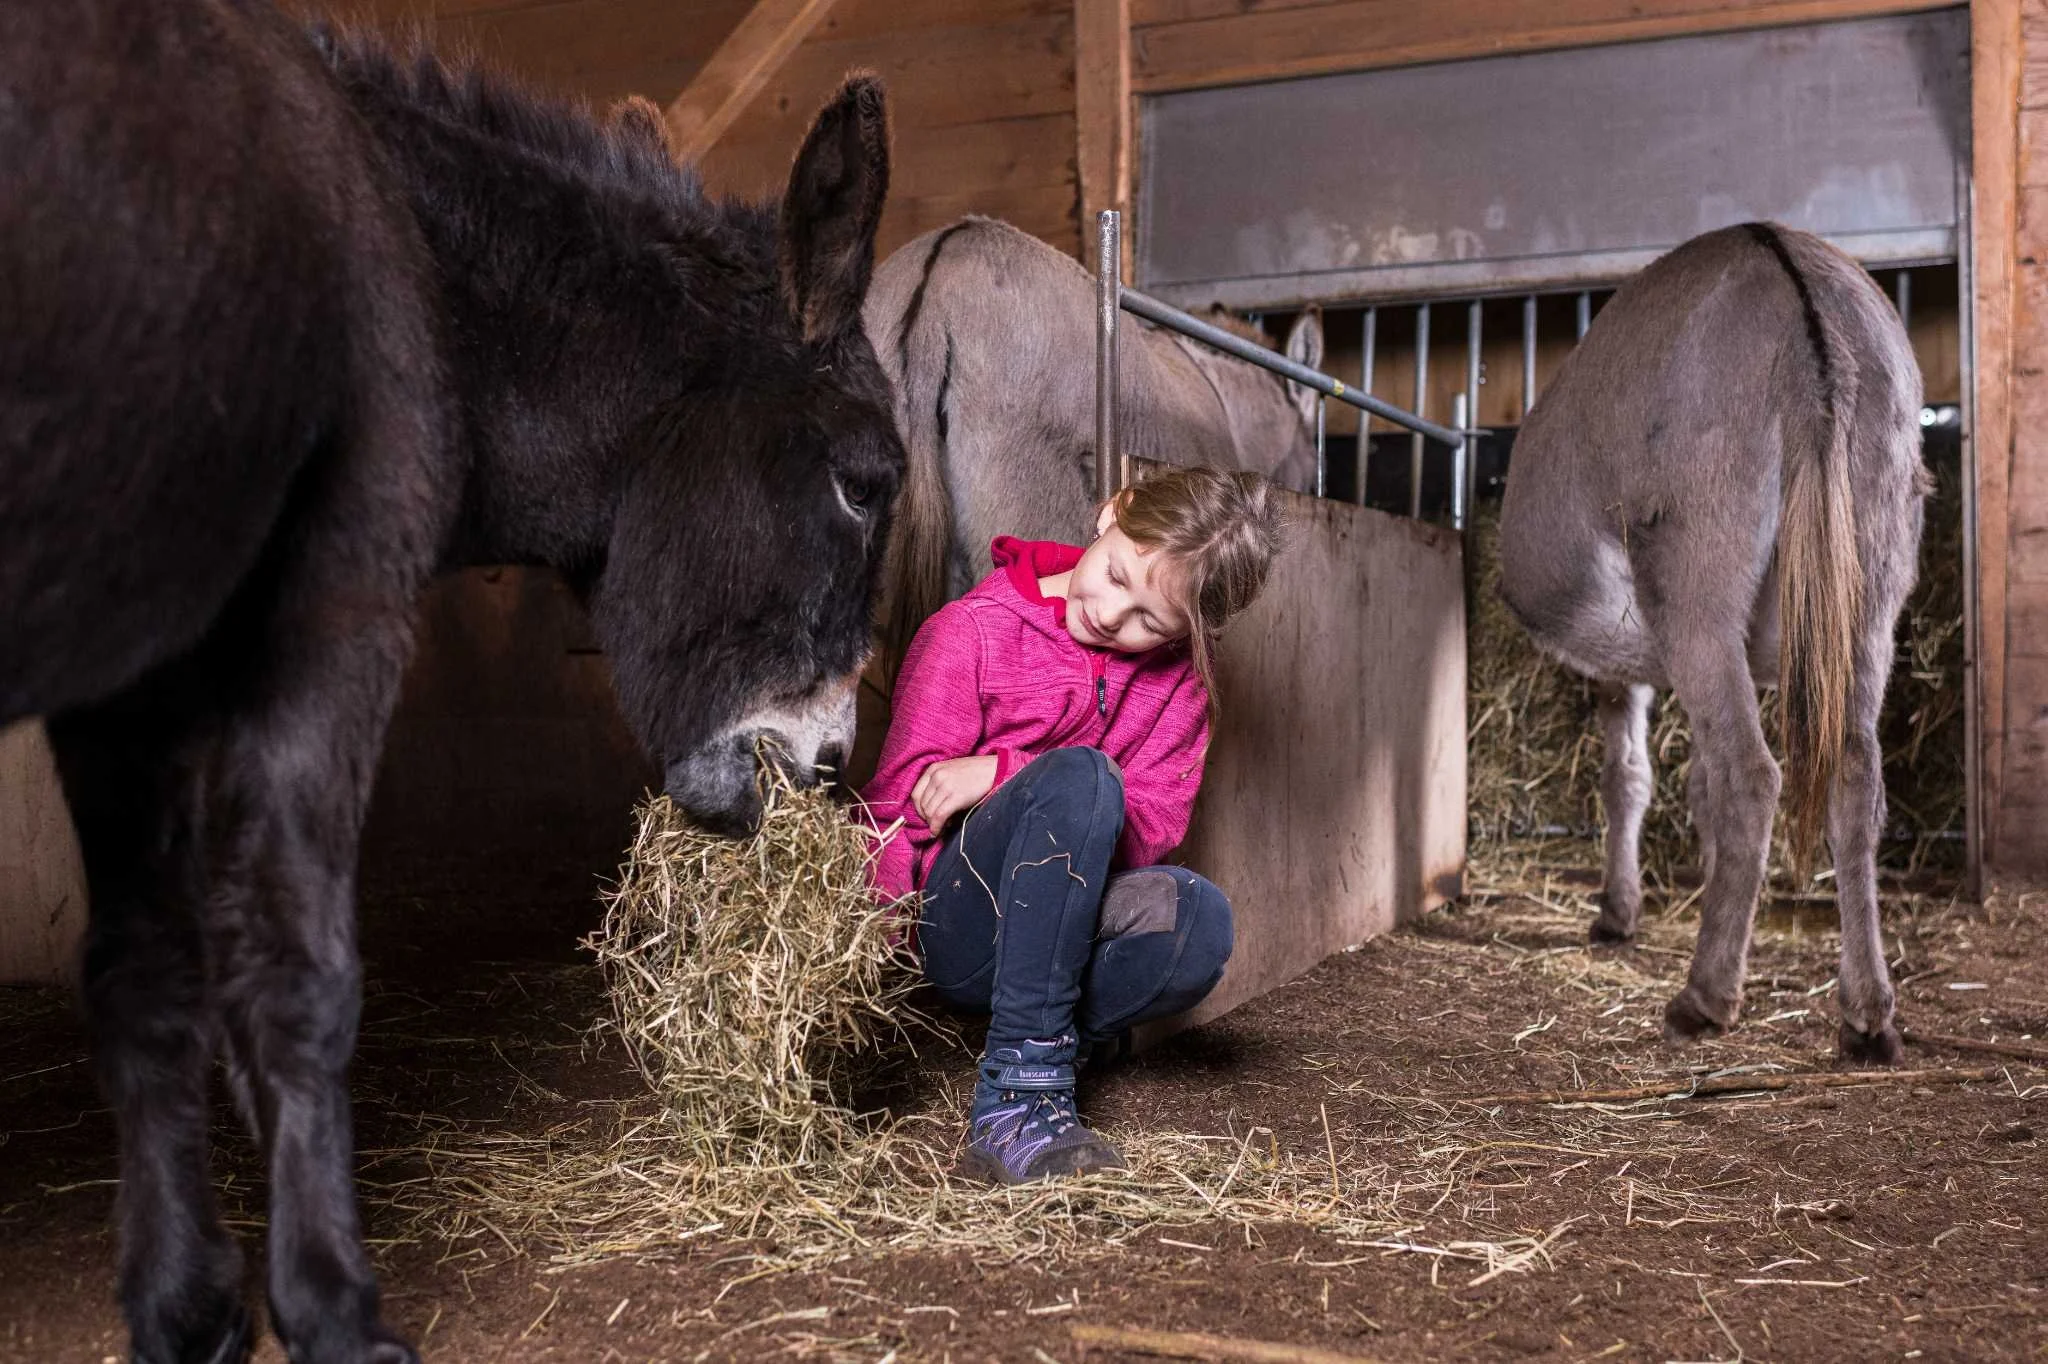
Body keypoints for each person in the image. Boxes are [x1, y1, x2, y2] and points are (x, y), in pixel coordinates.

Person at [861, 465, 1286, 1184]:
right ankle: (1018, 1104)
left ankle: (1038, 1034)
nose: (1114, 617)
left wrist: (1001, 771)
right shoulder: (972, 633)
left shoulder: (1181, 680)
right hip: (960, 925)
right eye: (1116, 576)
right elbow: (892, 809)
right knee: (1084, 777)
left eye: (1152, 621)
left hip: (1066, 921)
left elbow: (1155, 820)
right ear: (1112, 512)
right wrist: (875, 969)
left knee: (1197, 921)